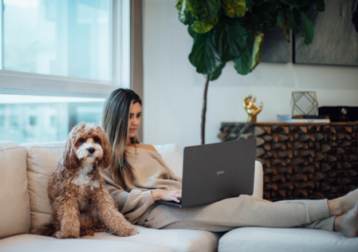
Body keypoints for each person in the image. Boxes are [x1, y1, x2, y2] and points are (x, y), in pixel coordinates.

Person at [100, 88, 358, 238]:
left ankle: (336, 224)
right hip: (155, 213)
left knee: (250, 203)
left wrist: (198, 187)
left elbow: (172, 180)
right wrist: (156, 194)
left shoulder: (146, 148)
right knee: (245, 208)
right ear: (116, 117)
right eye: (129, 116)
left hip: (179, 199)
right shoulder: (103, 156)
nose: (135, 121)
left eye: (138, 115)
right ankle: (333, 206)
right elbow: (112, 200)